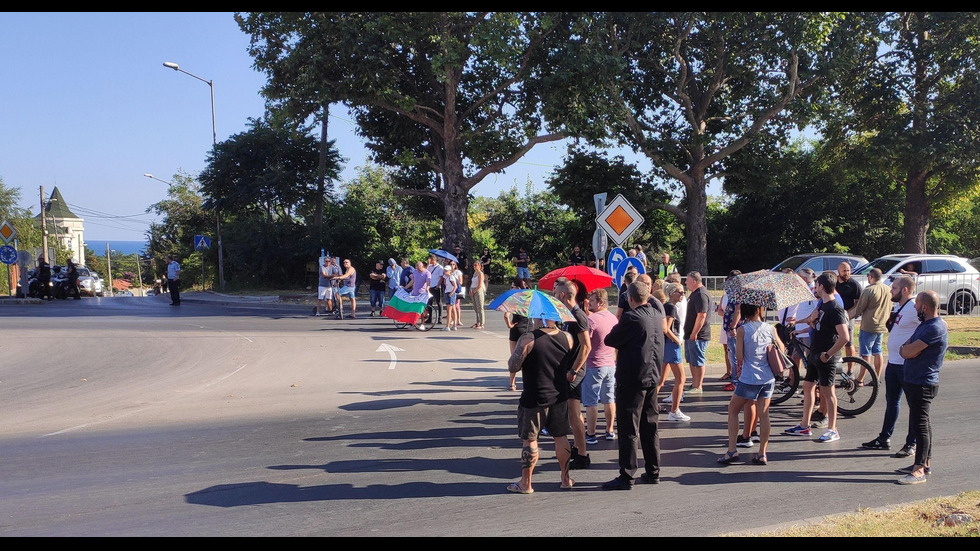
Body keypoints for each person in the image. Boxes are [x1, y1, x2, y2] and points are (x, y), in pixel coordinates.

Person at [602, 280, 664, 490]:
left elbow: (610, 339)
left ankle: (627, 475)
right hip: (652, 376)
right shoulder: (656, 315)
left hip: (633, 379)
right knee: (650, 425)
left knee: (629, 427)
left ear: (629, 298)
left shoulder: (631, 317)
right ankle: (653, 470)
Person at [506, 317, 576, 494]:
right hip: (558, 395)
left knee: (530, 439)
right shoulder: (566, 337)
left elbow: (513, 366)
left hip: (534, 397)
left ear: (539, 316)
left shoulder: (528, 338)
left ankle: (526, 483)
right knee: (560, 436)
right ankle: (565, 479)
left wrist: (521, 346)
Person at [784, 271, 849, 442]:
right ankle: (804, 426)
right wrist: (799, 324)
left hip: (826, 355)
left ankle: (833, 429)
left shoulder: (835, 308)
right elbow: (814, 322)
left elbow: (844, 337)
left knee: (828, 392)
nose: (814, 288)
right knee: (807, 386)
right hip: (815, 352)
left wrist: (828, 355)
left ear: (821, 286)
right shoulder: (821, 305)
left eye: (817, 285)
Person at [718, 303, 783, 466]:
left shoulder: (742, 330)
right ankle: (762, 453)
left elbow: (739, 356)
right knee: (764, 415)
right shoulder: (770, 328)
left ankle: (732, 450)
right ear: (758, 310)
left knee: (733, 410)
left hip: (749, 377)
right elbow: (781, 348)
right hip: (767, 377)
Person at [861, 274, 919, 455]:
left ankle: (911, 443)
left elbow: (933, 326)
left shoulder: (914, 307)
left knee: (914, 406)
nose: (890, 291)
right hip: (893, 363)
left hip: (907, 365)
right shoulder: (900, 307)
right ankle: (884, 438)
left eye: (893, 288)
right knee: (892, 402)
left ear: (905, 290)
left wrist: (913, 347)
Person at [896, 290, 947, 485]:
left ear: (924, 307)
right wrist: (908, 350)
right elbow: (905, 349)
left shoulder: (934, 328)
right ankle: (925, 463)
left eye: (916, 304)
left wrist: (908, 350)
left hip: (923, 383)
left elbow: (908, 350)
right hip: (915, 381)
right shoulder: (925, 325)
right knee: (922, 424)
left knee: (921, 426)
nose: (915, 307)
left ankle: (919, 470)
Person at [554, 277, 592, 471]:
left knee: (574, 414)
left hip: (573, 372)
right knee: (574, 414)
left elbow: (586, 346)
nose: (554, 297)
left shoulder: (578, 316)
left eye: (555, 294)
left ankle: (583, 454)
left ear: (562, 295)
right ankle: (579, 447)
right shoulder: (568, 315)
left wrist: (574, 370)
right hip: (569, 369)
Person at [583, 288, 618, 443]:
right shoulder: (613, 318)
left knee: (591, 402)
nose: (589, 304)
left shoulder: (592, 320)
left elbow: (585, 344)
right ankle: (609, 430)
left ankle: (591, 434)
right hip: (610, 363)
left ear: (601, 302)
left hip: (593, 364)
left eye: (591, 301)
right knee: (609, 398)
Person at [848, 267, 891, 381]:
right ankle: (876, 378)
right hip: (882, 324)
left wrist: (846, 317)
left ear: (871, 277)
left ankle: (860, 379)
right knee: (878, 351)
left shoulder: (869, 290)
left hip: (869, 325)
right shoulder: (887, 289)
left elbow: (859, 308)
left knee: (865, 353)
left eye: (868, 276)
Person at [655, 282, 689, 421]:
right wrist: (677, 340)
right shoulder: (671, 307)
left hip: (665, 345)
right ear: (671, 293)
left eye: (683, 292)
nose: (682, 295)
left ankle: (649, 405)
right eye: (679, 292)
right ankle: (674, 411)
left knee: (660, 379)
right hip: (671, 345)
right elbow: (666, 328)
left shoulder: (666, 306)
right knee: (681, 379)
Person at [683, 271, 711, 394]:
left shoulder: (701, 294)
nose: (685, 283)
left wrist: (694, 333)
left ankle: (698, 386)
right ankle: (694, 383)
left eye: (687, 280)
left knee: (698, 361)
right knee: (692, 360)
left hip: (698, 335)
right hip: (690, 334)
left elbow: (701, 316)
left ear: (694, 281)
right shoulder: (694, 293)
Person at [716, 270, 742, 388]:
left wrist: (733, 327)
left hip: (734, 328)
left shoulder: (738, 294)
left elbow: (738, 311)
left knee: (735, 355)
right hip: (728, 327)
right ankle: (735, 379)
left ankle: (736, 381)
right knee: (731, 354)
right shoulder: (730, 294)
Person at [505, 277, 532, 391]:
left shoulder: (514, 299)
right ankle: (528, 382)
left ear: (519, 287)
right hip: (528, 329)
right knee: (528, 358)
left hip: (516, 329)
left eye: (513, 286)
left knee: (514, 357)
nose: (511, 288)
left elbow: (506, 315)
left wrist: (509, 325)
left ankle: (512, 383)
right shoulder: (531, 299)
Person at [836, 262, 862, 373]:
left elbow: (858, 302)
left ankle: (850, 370)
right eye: (844, 271)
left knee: (849, 343)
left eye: (848, 270)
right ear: (839, 271)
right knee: (834, 342)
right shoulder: (834, 283)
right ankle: (836, 368)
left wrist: (848, 312)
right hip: (834, 317)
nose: (847, 273)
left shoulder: (854, 284)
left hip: (848, 318)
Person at [441, 260, 461, 331]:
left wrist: (451, 293)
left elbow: (455, 286)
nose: (445, 272)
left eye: (447, 271)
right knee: (452, 310)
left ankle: (448, 326)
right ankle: (454, 325)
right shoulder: (445, 277)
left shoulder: (451, 277)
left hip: (450, 294)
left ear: (450, 271)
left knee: (449, 310)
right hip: (448, 293)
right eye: (445, 270)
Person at [428, 254, 445, 324]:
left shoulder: (440, 267)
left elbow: (441, 278)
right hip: (430, 286)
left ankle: (440, 318)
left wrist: (438, 285)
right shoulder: (429, 266)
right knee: (429, 303)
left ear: (434, 259)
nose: (430, 261)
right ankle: (430, 318)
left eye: (431, 260)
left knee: (438, 302)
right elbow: (426, 273)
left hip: (436, 286)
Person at [469, 260, 487, 329]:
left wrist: (474, 291)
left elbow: (479, 285)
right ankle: (478, 322)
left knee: (480, 307)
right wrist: (470, 290)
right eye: (474, 265)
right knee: (476, 307)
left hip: (478, 290)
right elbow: (472, 282)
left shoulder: (480, 274)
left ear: (479, 266)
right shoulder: (475, 273)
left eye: (476, 265)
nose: (474, 266)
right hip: (473, 289)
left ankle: (482, 323)